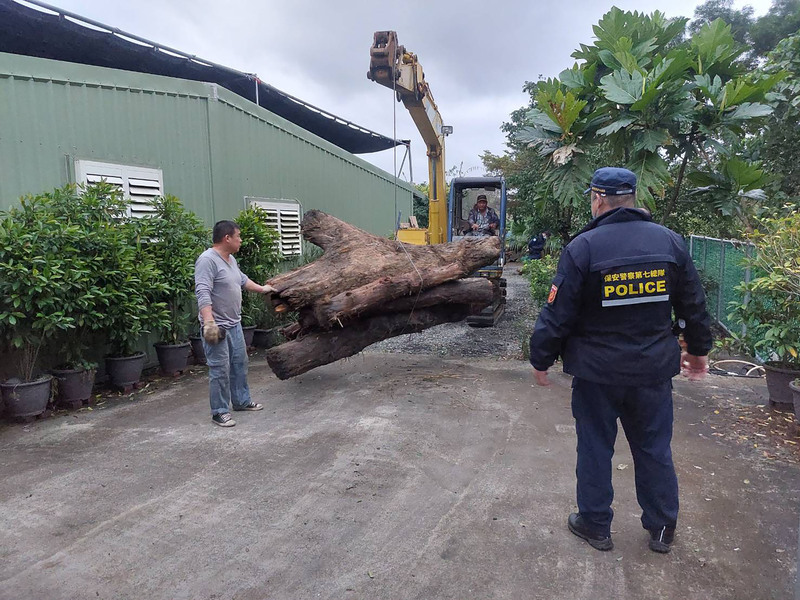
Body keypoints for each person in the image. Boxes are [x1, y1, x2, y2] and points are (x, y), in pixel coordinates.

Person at [529, 167, 712, 554]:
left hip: (597, 375)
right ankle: (662, 528)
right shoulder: (670, 243)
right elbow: (694, 306)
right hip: (652, 373)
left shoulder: (584, 248)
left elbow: (557, 313)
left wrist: (540, 357)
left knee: (595, 446)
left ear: (598, 199)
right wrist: (698, 353)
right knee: (653, 448)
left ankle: (595, 525)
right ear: (632, 197)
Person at [195, 220, 276, 427]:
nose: (241, 240)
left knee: (239, 364)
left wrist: (263, 289)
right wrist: (209, 322)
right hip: (217, 325)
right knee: (220, 369)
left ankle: (241, 401)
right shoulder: (207, 260)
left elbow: (241, 280)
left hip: (235, 324)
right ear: (227, 238)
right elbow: (203, 292)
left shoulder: (230, 260)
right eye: (238, 236)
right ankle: (219, 411)